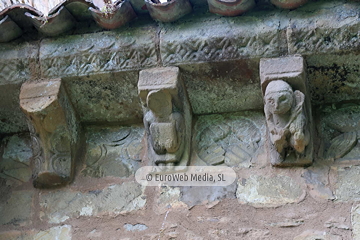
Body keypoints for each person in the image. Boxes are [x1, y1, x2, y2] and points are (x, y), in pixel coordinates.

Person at [264, 80, 310, 157]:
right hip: (279, 132)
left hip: (294, 131)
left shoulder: (296, 105)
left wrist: (299, 135)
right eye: (271, 101)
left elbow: (301, 120)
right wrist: (276, 130)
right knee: (277, 141)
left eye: (282, 100)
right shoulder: (267, 108)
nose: (276, 106)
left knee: (297, 140)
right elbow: (269, 122)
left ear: (292, 97)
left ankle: (300, 151)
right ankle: (280, 151)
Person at [144, 90, 185, 166]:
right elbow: (149, 136)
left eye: (161, 105)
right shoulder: (148, 118)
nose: (158, 109)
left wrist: (175, 146)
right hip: (158, 151)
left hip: (173, 149)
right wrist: (156, 147)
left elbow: (180, 134)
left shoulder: (176, 117)